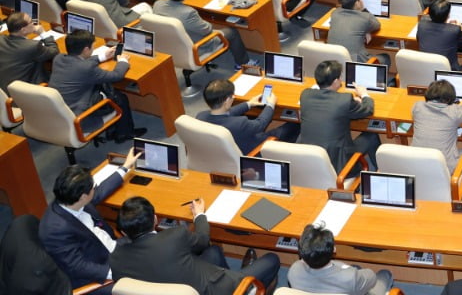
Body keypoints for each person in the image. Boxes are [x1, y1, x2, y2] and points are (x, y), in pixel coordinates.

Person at [111, 195, 281, 294]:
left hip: (182, 284)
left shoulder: (116, 259)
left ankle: (232, 273)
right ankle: (250, 288)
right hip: (215, 290)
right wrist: (199, 215)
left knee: (214, 252)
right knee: (272, 260)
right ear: (155, 219)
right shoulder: (174, 236)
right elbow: (202, 240)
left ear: (124, 232)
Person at [39, 147, 140, 294]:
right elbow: (78, 266)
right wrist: (118, 273)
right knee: (147, 279)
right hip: (98, 275)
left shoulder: (70, 199)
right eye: (92, 188)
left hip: (110, 247)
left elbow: (99, 192)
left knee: (152, 243)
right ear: (83, 197)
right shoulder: (54, 230)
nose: (95, 189)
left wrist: (125, 167)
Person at [49, 29, 143, 142]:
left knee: (104, 87)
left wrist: (101, 57)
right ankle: (124, 133)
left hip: (58, 113)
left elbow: (81, 63)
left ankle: (115, 129)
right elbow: (116, 75)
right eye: (92, 47)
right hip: (80, 118)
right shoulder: (86, 68)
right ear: (86, 49)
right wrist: (123, 61)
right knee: (119, 97)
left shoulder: (58, 58)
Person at [300, 59, 381, 167]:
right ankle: (379, 171)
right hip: (337, 163)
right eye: (339, 78)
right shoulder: (344, 100)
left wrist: (351, 103)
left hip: (308, 159)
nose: (341, 81)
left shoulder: (305, 95)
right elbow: (368, 109)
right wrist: (364, 94)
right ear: (335, 81)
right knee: (372, 136)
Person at [153, 0, 250, 67]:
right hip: (197, 46)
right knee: (232, 31)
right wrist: (202, 20)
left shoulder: (157, 4)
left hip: (170, 43)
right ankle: (243, 63)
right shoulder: (188, 13)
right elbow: (207, 30)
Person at [198, 77, 299, 153]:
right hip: (252, 148)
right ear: (228, 100)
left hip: (225, 150)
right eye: (232, 96)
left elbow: (226, 114)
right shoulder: (239, 123)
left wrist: (249, 104)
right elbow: (261, 124)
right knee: (294, 125)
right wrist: (270, 105)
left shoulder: (200, 116)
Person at [289, 223, 394, 295]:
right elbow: (371, 277)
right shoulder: (350, 277)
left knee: (355, 268)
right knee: (384, 274)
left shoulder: (294, 270)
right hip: (352, 283)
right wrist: (351, 271)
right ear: (334, 250)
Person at [412, 78, 462, 174]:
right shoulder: (453, 112)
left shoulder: (417, 107)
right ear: (449, 99)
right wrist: (458, 105)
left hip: (416, 164)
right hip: (445, 168)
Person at [0, 11, 59, 89]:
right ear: (23, 30)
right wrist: (43, 33)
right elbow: (54, 52)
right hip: (24, 91)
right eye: (31, 22)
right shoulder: (32, 46)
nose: (34, 24)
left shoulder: (1, 39)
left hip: (5, 86)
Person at [328, 0, 385, 66]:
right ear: (357, 3)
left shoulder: (334, 13)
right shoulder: (365, 17)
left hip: (334, 60)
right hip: (355, 62)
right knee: (385, 58)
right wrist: (363, 9)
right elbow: (377, 25)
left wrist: (365, 30)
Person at [417, 0, 462, 71]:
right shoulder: (454, 30)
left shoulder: (421, 25)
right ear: (448, 15)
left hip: (426, 71)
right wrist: (460, 29)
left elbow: (418, 39)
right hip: (448, 74)